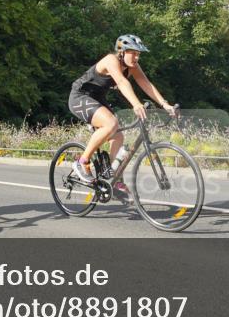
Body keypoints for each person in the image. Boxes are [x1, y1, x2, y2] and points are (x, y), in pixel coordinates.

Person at [67, 34, 175, 198]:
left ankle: (109, 176)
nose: (137, 57)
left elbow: (146, 84)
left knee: (118, 137)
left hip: (97, 99)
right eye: (133, 53)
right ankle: (82, 162)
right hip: (80, 97)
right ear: (122, 52)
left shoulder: (133, 66)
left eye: (139, 54)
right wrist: (136, 103)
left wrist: (164, 103)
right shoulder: (111, 60)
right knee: (111, 123)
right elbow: (122, 82)